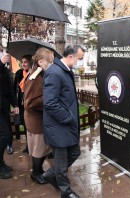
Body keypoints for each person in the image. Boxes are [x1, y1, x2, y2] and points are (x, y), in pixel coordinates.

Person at [42, 45, 84, 198]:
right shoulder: (54, 72)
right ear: (71, 56)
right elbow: (50, 103)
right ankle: (65, 192)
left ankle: (50, 175)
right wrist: (68, 117)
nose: (80, 62)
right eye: (80, 58)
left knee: (75, 152)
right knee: (61, 161)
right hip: (59, 126)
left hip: (66, 126)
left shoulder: (65, 71)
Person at [24, 48, 53, 184]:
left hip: (36, 119)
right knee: (39, 149)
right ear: (40, 62)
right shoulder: (35, 76)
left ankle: (39, 170)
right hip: (36, 120)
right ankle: (35, 174)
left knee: (42, 148)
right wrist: (48, 98)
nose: (52, 64)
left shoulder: (39, 73)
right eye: (50, 61)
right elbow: (29, 102)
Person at [0, 52, 19, 179]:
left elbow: (10, 90)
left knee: (6, 136)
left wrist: (15, 104)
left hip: (4, 107)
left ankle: (1, 163)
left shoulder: (6, 70)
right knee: (4, 134)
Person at [13, 55, 32, 153]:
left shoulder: (33, 73)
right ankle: (28, 146)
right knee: (25, 125)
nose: (24, 64)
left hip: (31, 105)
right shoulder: (19, 73)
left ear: (30, 62)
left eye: (26, 62)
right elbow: (15, 89)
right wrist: (15, 104)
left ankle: (35, 146)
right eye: (22, 62)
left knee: (31, 126)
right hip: (21, 105)